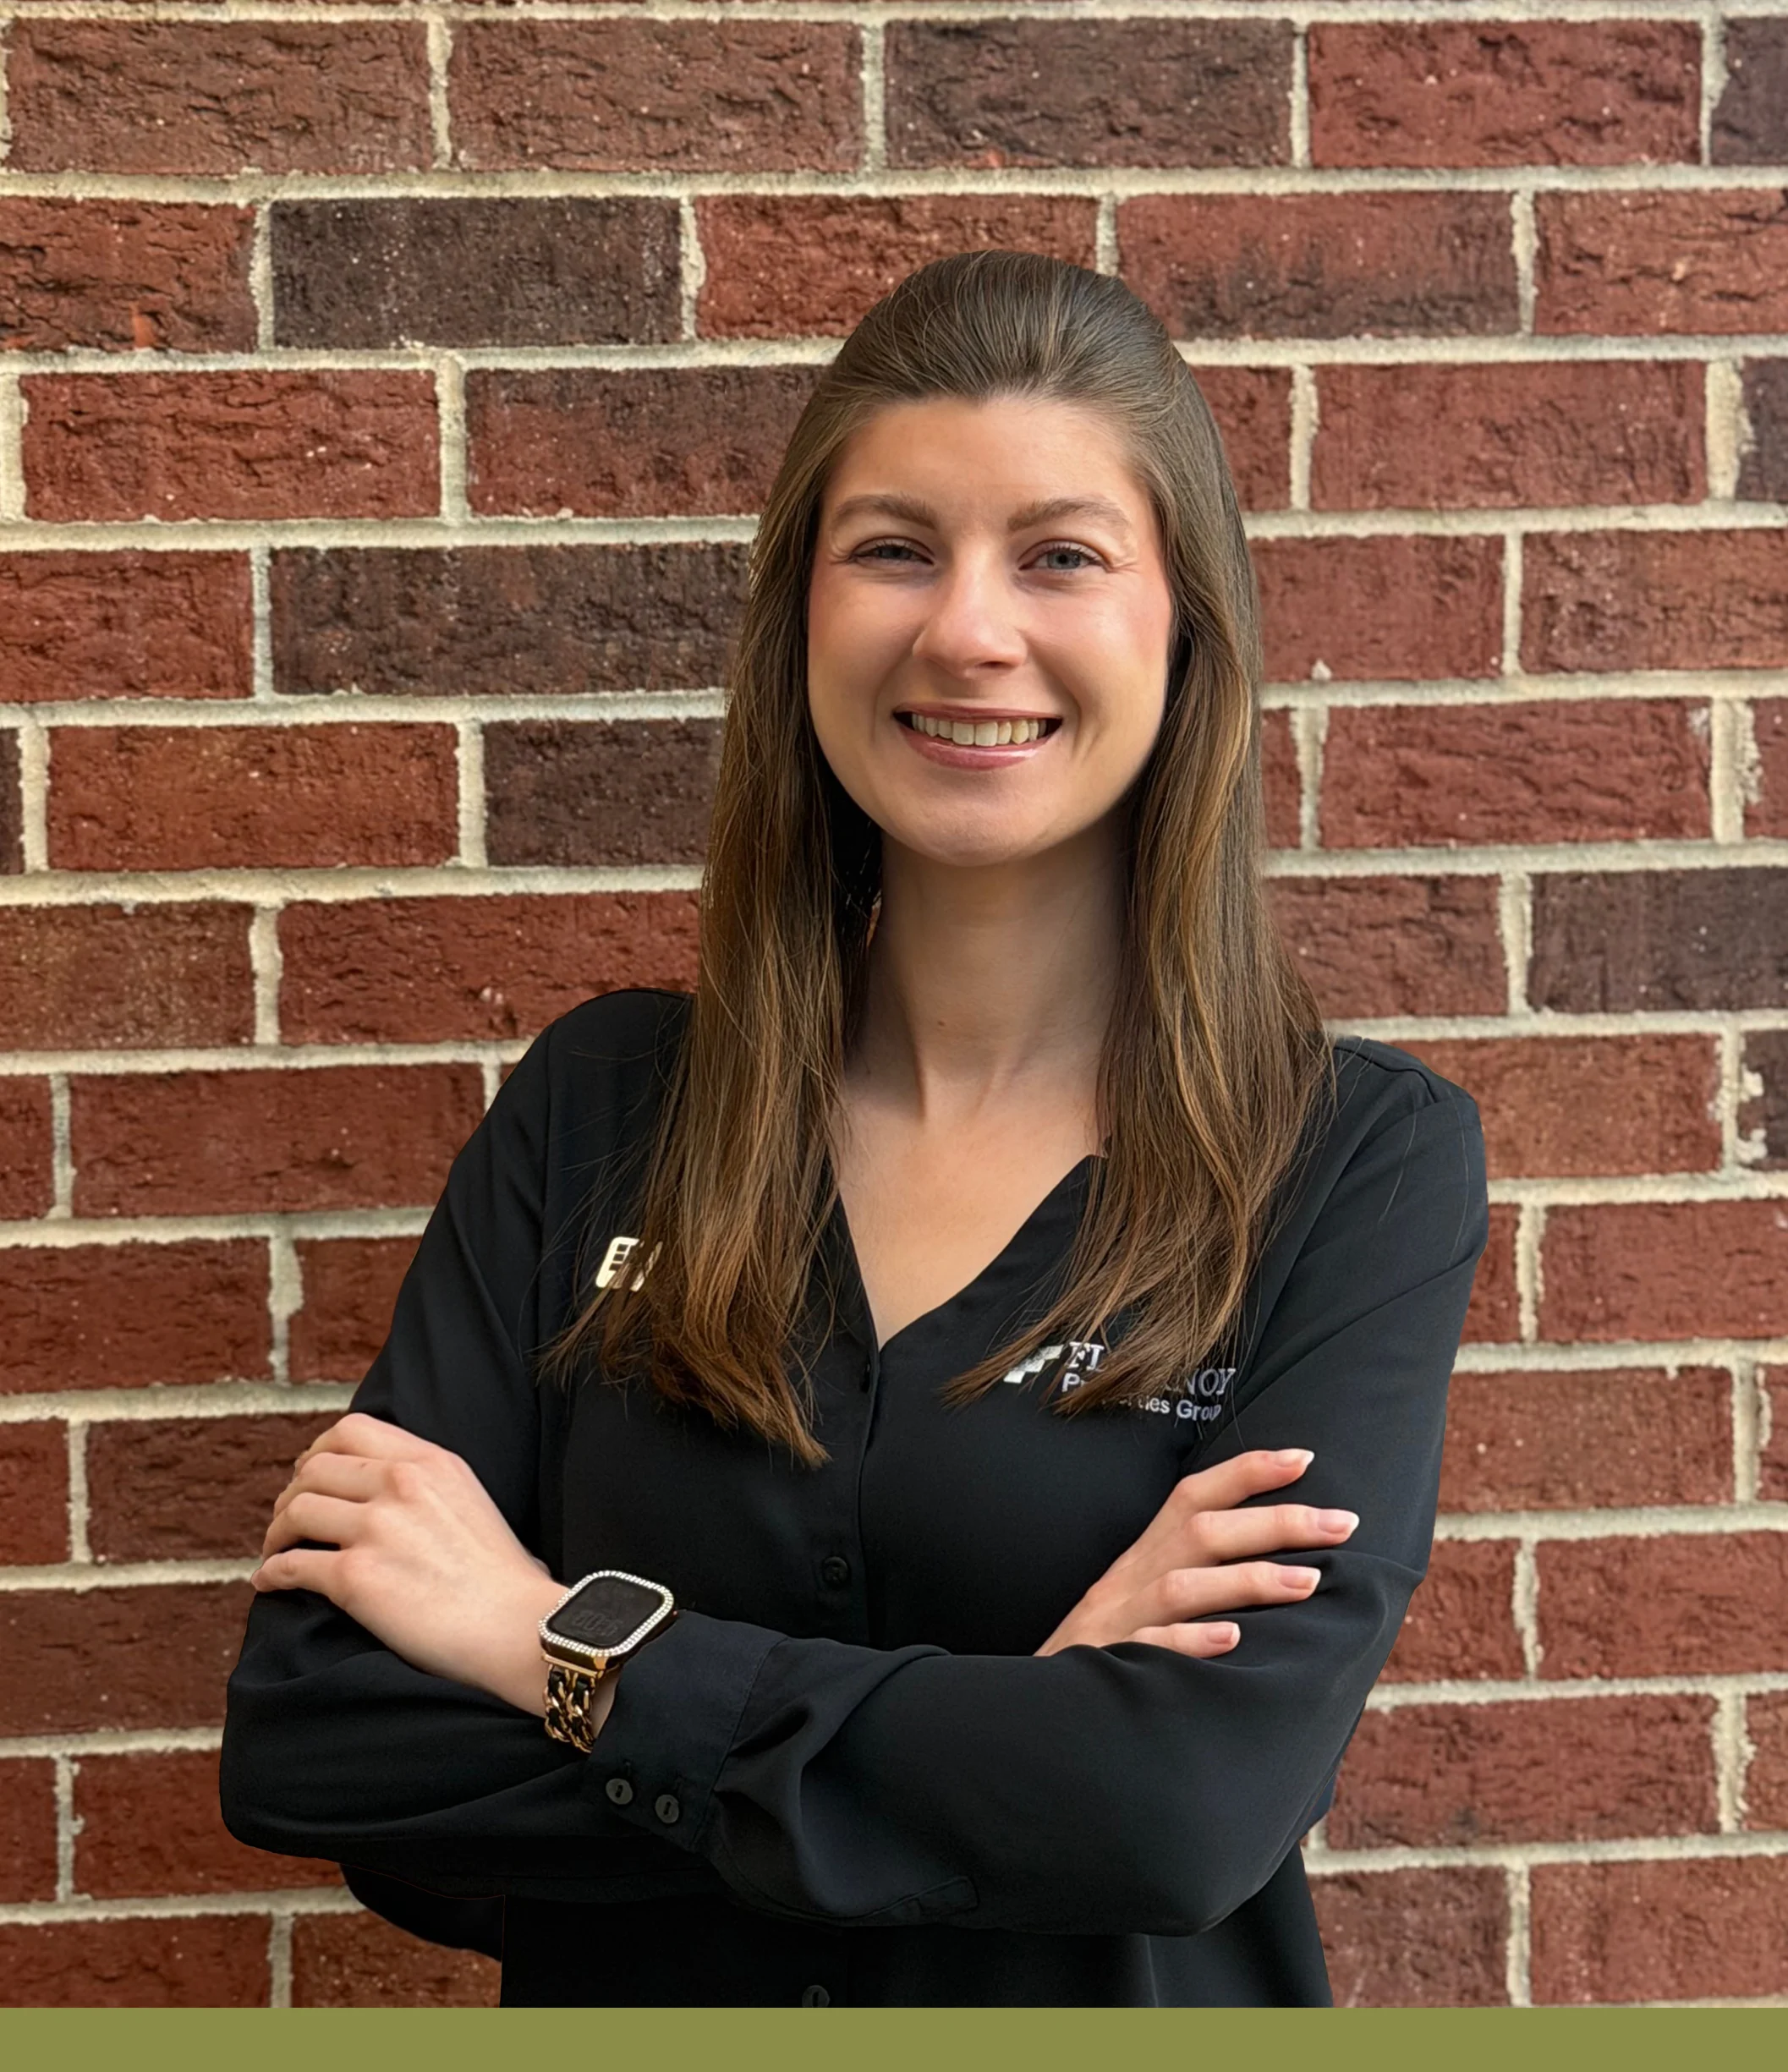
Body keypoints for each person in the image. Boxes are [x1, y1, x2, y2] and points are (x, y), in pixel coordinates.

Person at [219, 249, 1488, 2008]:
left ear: (1183, 624)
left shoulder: (1348, 1166)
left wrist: (546, 1642)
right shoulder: (600, 1109)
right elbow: (316, 1741)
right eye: (894, 546)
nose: (968, 628)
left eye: (1058, 554)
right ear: (800, 614)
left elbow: (1181, 1810)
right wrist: (1013, 1732)